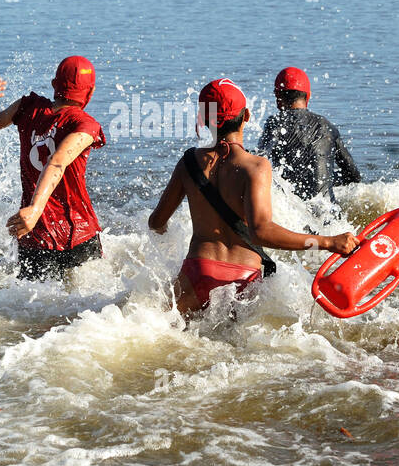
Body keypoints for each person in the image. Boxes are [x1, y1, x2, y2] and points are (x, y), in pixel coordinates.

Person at [149, 79, 358, 318]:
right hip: (242, 278)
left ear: (204, 119)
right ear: (246, 115)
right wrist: (328, 242)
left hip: (196, 271)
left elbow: (156, 222)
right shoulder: (256, 166)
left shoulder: (188, 163)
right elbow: (261, 231)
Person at [0, 56, 107, 280]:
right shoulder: (86, 125)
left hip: (34, 235)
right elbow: (57, 162)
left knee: (29, 308)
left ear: (54, 85)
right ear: (90, 92)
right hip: (78, 233)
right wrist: (35, 209)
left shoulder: (26, 107)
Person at [259, 66, 362, 201]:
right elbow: (354, 177)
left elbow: (258, 164)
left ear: (278, 95)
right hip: (330, 216)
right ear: (308, 96)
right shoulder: (327, 126)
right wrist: (328, 179)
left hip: (294, 214)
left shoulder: (276, 123)